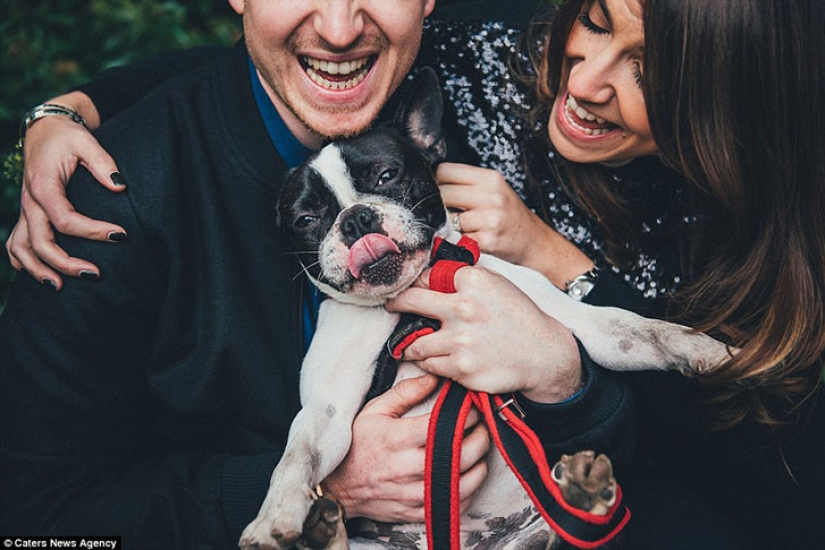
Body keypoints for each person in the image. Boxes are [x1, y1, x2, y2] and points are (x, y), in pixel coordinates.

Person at [11, 0, 825, 548]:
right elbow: (36, 514)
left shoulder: (757, 221)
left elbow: (764, 485)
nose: (582, 81)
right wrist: (63, 113)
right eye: (594, 22)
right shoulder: (111, 205)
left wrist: (563, 327)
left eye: (649, 71)